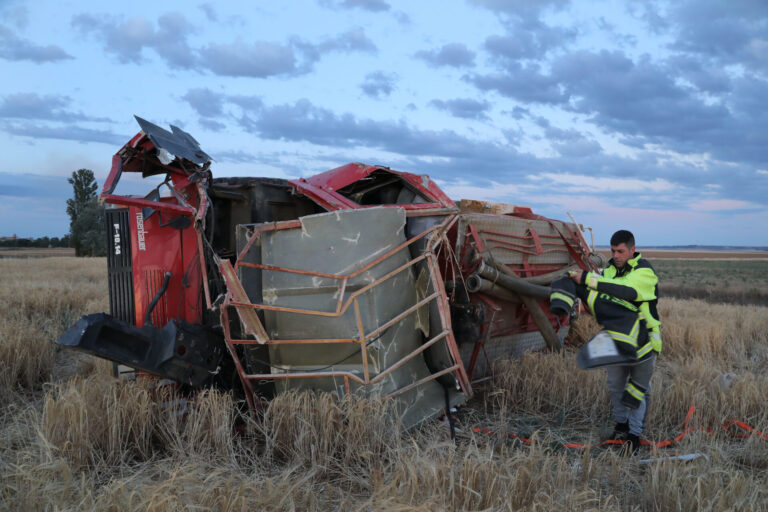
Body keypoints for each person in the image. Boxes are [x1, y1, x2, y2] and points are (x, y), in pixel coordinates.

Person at [551, 230, 662, 454]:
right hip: (617, 338)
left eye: (621, 251)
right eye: (613, 251)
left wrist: (588, 279)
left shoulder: (644, 271)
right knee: (615, 386)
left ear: (632, 250)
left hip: (645, 341)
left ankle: (634, 436)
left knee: (638, 389)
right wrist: (575, 284)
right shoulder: (609, 271)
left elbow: (626, 292)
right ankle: (621, 428)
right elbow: (599, 294)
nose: (616, 255)